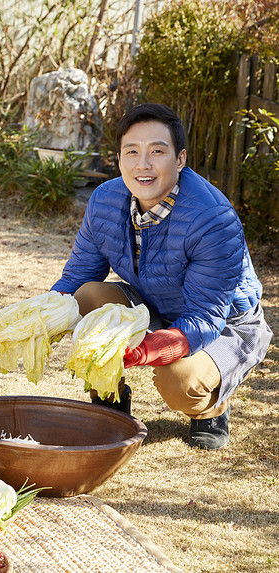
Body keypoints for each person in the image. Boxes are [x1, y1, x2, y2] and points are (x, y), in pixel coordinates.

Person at [52, 103, 273, 450]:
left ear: (180, 159)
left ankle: (210, 408)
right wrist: (44, 312)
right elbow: (79, 275)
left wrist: (147, 350)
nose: (143, 164)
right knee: (85, 298)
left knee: (179, 380)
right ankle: (109, 396)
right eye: (132, 152)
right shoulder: (104, 200)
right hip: (154, 303)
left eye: (157, 151)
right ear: (119, 158)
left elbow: (205, 316)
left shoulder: (213, 219)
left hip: (224, 322)